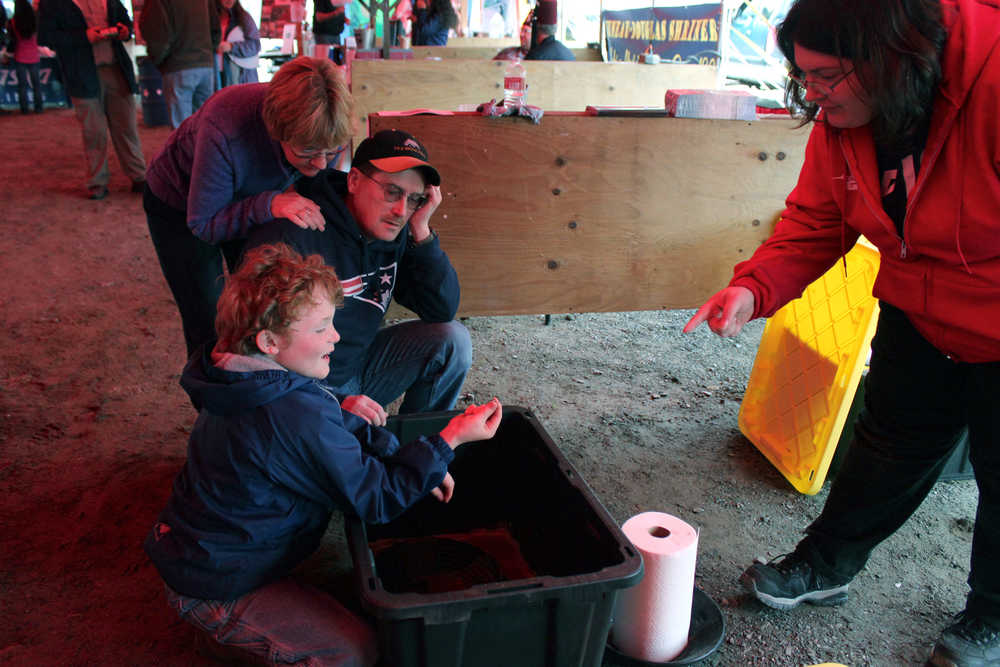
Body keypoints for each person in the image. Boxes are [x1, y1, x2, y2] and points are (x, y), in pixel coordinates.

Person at [682, 1, 1000, 665]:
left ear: (893, 59)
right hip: (919, 308)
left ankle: (992, 616)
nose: (813, 99)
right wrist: (752, 288)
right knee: (887, 440)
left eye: (826, 79)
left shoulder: (991, 78)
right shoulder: (846, 117)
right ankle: (826, 564)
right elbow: (815, 220)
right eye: (803, 79)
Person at [144, 242, 504, 666]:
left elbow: (326, 420)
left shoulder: (238, 375)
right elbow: (377, 499)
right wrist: (450, 440)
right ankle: (224, 636)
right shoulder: (288, 414)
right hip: (220, 583)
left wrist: (417, 459)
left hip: (214, 548)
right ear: (269, 341)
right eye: (320, 329)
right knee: (355, 653)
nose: (335, 336)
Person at [245, 129, 471, 422]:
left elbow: (441, 309)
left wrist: (422, 231)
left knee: (453, 340)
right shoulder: (296, 233)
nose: (401, 210)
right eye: (391, 192)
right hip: (303, 389)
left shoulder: (397, 230)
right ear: (353, 180)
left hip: (358, 368)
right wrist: (332, 401)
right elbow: (256, 354)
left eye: (414, 198)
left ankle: (417, 450)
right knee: (339, 459)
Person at [143, 56, 353, 361]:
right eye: (308, 151)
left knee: (262, 305)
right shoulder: (225, 125)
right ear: (277, 130)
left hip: (254, 189)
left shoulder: (321, 131)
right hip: (180, 202)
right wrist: (268, 203)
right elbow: (203, 224)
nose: (322, 163)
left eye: (331, 151)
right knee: (209, 316)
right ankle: (214, 400)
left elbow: (316, 182)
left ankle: (264, 389)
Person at [37, 0, 146, 200]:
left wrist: (124, 30)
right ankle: (97, 181)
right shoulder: (51, 4)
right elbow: (46, 37)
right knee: (93, 131)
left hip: (116, 68)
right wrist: (83, 37)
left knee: (127, 126)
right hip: (81, 73)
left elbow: (125, 21)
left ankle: (138, 176)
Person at [139, 0, 220, 129]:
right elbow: (216, 29)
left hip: (178, 66)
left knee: (181, 131)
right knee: (204, 127)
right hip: (205, 65)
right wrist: (208, 52)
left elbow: (157, 35)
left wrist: (159, 62)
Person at [9, 0, 43, 114]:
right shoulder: (35, 21)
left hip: (20, 56)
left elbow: (12, 41)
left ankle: (24, 109)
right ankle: (39, 108)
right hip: (34, 56)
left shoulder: (13, 22)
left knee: (22, 85)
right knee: (36, 84)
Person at [216, 0, 259, 87]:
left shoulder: (244, 17)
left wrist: (232, 47)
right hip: (216, 72)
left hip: (239, 74)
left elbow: (255, 45)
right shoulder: (212, 18)